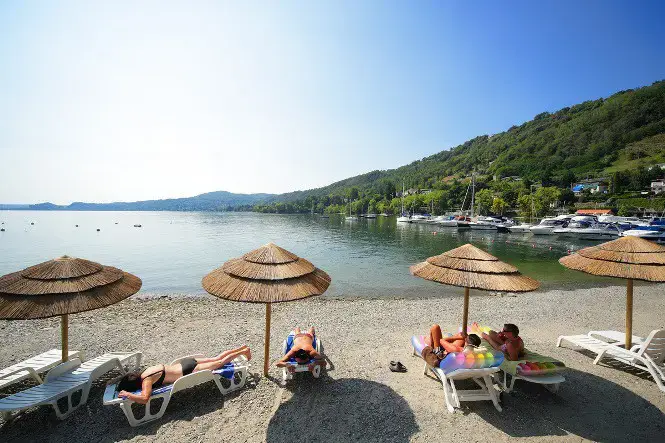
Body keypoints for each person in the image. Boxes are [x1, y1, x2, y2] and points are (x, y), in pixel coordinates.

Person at [116, 346, 251, 404]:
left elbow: (145, 398)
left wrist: (129, 395)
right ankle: (242, 348)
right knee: (216, 358)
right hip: (185, 363)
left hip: (187, 371)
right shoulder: (146, 371)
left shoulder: (146, 380)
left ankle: (243, 352)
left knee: (220, 363)